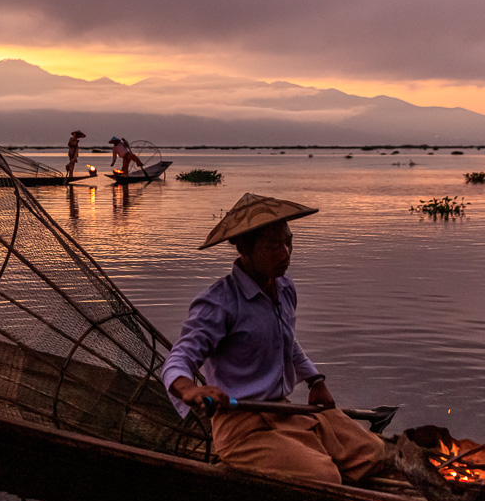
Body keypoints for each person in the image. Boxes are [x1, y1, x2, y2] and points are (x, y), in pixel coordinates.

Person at [162, 193, 389, 485]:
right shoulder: (218, 303)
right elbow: (179, 358)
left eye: (288, 242)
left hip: (282, 409)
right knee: (325, 476)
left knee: (372, 453)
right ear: (244, 247)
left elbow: (286, 340)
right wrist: (189, 389)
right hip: (241, 425)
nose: (285, 254)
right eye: (273, 246)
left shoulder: (283, 288)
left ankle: (307, 452)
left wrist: (315, 380)